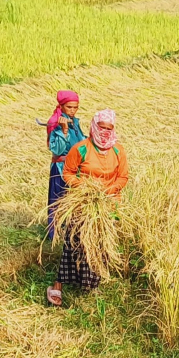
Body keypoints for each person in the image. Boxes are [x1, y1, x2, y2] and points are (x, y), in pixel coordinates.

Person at [47, 110, 129, 307]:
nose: (105, 132)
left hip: (107, 204)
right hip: (82, 203)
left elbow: (123, 177)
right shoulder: (81, 149)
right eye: (101, 127)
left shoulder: (118, 150)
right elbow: (68, 173)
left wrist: (108, 190)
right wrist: (84, 188)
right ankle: (59, 283)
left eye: (109, 128)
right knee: (73, 241)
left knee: (98, 243)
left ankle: (90, 283)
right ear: (94, 126)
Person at [46, 90, 85, 241]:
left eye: (76, 107)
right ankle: (55, 235)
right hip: (61, 168)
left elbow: (81, 140)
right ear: (61, 106)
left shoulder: (74, 121)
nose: (73, 111)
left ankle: (72, 232)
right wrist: (64, 131)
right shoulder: (54, 123)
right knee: (58, 201)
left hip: (75, 168)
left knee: (73, 201)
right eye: (69, 107)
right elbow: (57, 149)